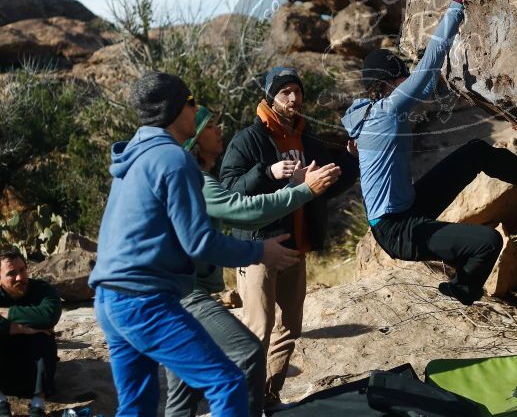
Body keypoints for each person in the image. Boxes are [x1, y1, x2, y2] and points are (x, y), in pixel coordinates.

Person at [341, 0, 517, 306]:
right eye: (400, 76)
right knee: (487, 242)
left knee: (477, 152)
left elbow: (361, 146)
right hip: (397, 230)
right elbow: (427, 70)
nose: (406, 81)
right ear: (388, 82)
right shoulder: (387, 110)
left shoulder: (366, 116)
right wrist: (455, 11)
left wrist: (358, 150)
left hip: (410, 205)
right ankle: (463, 288)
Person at [89, 72, 300, 417]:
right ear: (176, 109)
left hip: (109, 299)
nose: (197, 109)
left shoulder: (133, 158)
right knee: (228, 382)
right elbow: (199, 242)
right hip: (145, 300)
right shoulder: (174, 160)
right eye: (192, 102)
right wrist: (260, 251)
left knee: (137, 405)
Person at [164, 106, 341, 417]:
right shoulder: (199, 181)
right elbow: (245, 210)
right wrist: (302, 190)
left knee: (182, 394)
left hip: (185, 291)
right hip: (183, 295)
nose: (219, 130)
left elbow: (233, 225)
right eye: (210, 126)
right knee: (246, 348)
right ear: (192, 138)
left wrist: (296, 186)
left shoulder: (196, 179)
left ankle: (265, 401)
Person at [219, 66, 358, 407]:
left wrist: (352, 160)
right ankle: (241, 404)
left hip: (296, 248)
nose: (294, 98)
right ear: (271, 97)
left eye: (297, 91)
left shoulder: (308, 141)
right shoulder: (248, 140)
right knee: (257, 329)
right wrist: (268, 172)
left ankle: (269, 396)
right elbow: (228, 189)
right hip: (258, 248)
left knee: (290, 328)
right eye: (285, 92)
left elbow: (332, 183)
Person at [0, 250, 61, 417]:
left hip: (35, 374)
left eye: (22, 270)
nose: (20, 277)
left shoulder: (41, 289)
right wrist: (24, 328)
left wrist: (7, 313)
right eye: (11, 273)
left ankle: (38, 405)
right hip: (4, 374)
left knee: (44, 337)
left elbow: (49, 315)